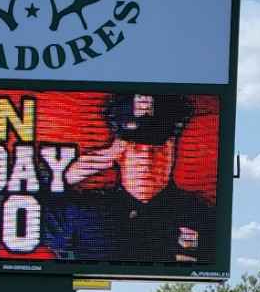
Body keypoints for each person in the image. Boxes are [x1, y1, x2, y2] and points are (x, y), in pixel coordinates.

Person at [43, 92, 216, 265]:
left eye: (158, 148)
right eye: (135, 147)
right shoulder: (84, 212)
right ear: (117, 153)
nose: (146, 159)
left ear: (172, 151)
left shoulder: (198, 213)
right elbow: (35, 221)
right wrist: (63, 177)